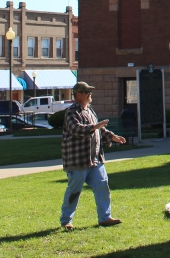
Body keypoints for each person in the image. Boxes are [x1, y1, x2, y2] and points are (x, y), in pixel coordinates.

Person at [60, 81, 126, 230]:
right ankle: (66, 221)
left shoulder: (90, 110)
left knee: (102, 186)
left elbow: (98, 130)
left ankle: (105, 217)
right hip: (78, 161)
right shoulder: (72, 112)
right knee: (74, 191)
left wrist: (112, 136)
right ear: (78, 95)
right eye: (87, 92)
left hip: (95, 160)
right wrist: (94, 127)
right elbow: (76, 129)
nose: (90, 94)